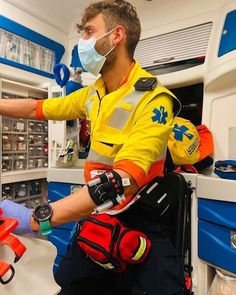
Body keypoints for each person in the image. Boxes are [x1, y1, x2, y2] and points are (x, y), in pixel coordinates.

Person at [0, 0, 186, 294]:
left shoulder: (154, 99)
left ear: (116, 36)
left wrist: (37, 220)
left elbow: (119, 183)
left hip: (140, 223)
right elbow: (38, 108)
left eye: (88, 32)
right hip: (98, 217)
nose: (82, 43)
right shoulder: (93, 94)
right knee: (65, 287)